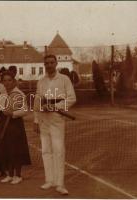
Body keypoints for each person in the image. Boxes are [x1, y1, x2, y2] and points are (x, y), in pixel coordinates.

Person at [34, 54, 76, 195]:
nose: (49, 65)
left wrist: (55, 106)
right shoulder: (41, 81)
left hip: (57, 119)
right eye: (47, 63)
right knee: (46, 150)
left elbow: (71, 98)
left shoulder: (64, 79)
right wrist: (35, 120)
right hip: (43, 120)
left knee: (58, 150)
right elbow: (37, 102)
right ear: (44, 65)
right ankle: (49, 180)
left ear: (56, 63)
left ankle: (60, 183)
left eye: (52, 62)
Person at [0, 70, 31, 184]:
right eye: (4, 81)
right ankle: (10, 175)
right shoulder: (3, 93)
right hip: (4, 123)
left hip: (15, 123)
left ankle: (18, 175)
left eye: (9, 80)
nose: (7, 83)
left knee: (16, 149)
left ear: (14, 81)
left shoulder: (19, 93)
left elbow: (25, 110)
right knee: (7, 148)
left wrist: (13, 114)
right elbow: (2, 108)